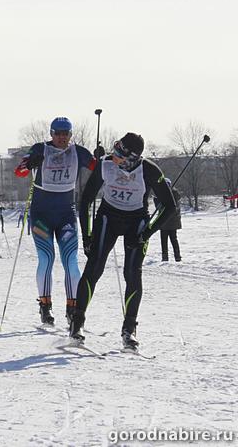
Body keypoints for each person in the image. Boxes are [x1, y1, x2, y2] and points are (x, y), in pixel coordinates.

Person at [69, 133, 177, 350]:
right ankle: (77, 323)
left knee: (132, 274)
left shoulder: (149, 170)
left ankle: (129, 330)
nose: (114, 156)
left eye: (119, 153)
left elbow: (169, 206)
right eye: (115, 149)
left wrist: (146, 233)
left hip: (136, 222)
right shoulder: (105, 164)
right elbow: (85, 200)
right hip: (108, 219)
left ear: (132, 158)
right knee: (94, 268)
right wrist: (87, 236)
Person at [15, 117, 97, 326]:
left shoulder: (78, 152)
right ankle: (45, 305)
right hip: (41, 216)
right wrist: (29, 163)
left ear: (70, 135)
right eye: (57, 133)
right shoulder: (40, 149)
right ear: (51, 134)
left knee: (71, 260)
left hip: (66, 216)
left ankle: (72, 308)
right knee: (46, 258)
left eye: (65, 134)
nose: (61, 137)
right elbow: (19, 171)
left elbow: (100, 169)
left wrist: (101, 158)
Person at [155, 179, 182, 262]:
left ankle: (165, 257)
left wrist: (156, 199)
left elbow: (160, 207)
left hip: (165, 220)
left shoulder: (165, 194)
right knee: (173, 239)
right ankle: (177, 256)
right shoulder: (175, 194)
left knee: (165, 240)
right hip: (172, 221)